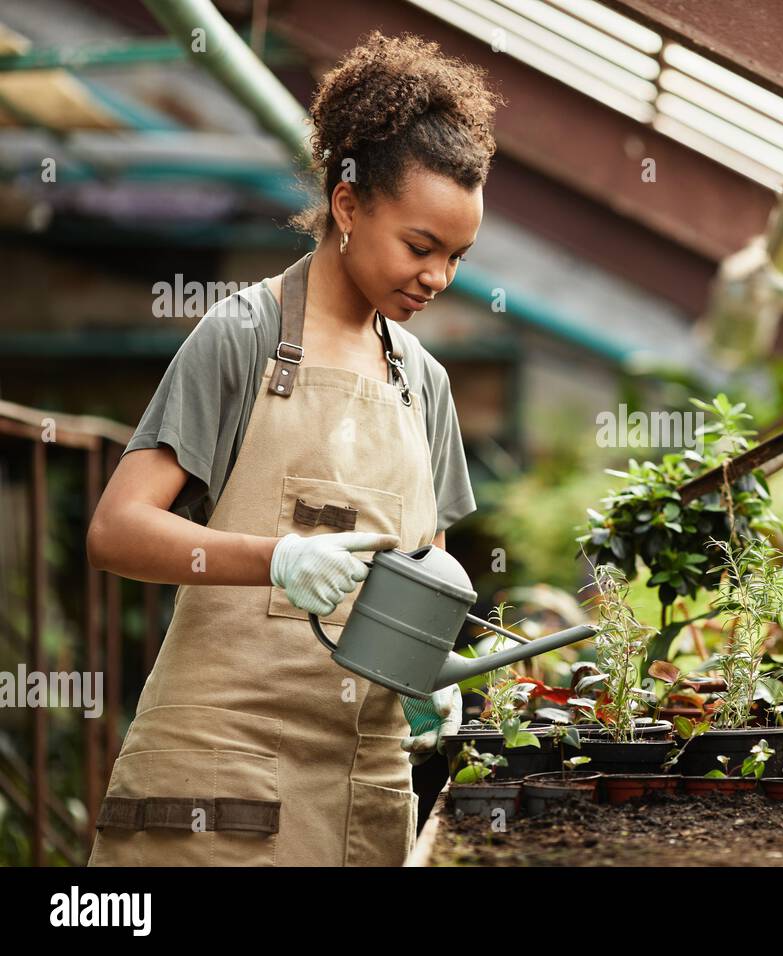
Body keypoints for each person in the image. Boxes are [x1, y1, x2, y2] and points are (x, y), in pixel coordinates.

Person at [84, 31, 500, 866]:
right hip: (221, 777)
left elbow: (429, 578)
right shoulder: (245, 334)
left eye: (457, 257)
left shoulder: (425, 383)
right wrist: (278, 559)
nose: (438, 278)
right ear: (348, 208)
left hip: (359, 786)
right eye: (420, 247)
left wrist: (433, 673)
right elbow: (117, 532)